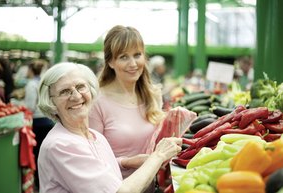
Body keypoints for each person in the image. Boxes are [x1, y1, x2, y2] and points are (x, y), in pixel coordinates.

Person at [37, 62, 182, 193]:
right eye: (64, 91)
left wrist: (125, 162)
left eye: (80, 87)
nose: (76, 96)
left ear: (91, 90)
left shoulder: (94, 136)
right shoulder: (60, 145)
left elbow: (94, 171)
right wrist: (158, 156)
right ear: (51, 104)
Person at [88, 25, 167, 192]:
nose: (133, 64)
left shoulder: (153, 95)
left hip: (150, 188)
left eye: (137, 55)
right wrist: (128, 161)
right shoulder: (97, 102)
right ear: (110, 62)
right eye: (123, 57)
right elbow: (92, 161)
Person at [23, 59, 54, 190]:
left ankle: (38, 184)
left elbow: (30, 107)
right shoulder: (44, 83)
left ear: (31, 70)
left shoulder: (31, 85)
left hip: (37, 123)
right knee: (46, 155)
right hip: (47, 121)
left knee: (36, 154)